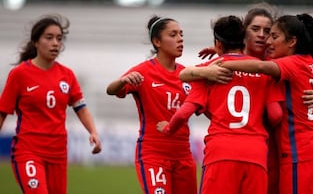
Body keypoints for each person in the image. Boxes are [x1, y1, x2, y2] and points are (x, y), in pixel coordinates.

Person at [157, 15, 284, 194]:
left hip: (221, 152)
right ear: (244, 41)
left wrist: (168, 129)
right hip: (256, 154)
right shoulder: (264, 69)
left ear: (218, 44)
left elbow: (185, 112)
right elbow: (276, 115)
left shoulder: (207, 71)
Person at [219, 13, 313, 194]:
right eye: (256, 29)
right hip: (311, 151)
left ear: (292, 41)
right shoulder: (305, 60)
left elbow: (261, 69)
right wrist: (222, 50)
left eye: (272, 34)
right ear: (243, 33)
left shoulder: (285, 64)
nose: (264, 38)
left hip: (295, 154)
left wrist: (221, 63)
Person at [0, 14, 102, 194]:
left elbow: (80, 107)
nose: (55, 43)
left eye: (59, 39)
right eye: (49, 37)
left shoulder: (67, 75)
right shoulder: (19, 74)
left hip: (58, 153)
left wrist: (93, 131)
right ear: (35, 42)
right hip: (28, 151)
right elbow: (2, 112)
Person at [106, 15, 197, 194]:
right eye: (173, 34)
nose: (180, 39)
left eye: (181, 34)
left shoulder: (187, 74)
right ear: (157, 41)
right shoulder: (143, 71)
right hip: (154, 154)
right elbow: (111, 90)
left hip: (183, 156)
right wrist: (123, 81)